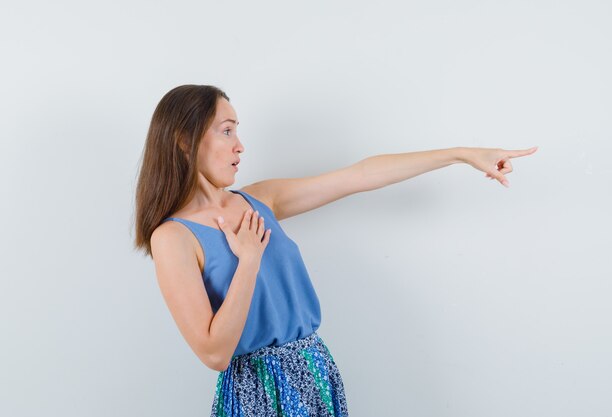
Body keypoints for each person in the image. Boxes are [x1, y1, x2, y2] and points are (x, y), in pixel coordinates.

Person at [133, 84, 538, 416]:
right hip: (256, 392)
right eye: (226, 130)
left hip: (314, 372)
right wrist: (249, 261)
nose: (240, 145)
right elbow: (215, 354)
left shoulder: (260, 201)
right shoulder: (173, 238)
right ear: (185, 141)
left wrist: (460, 154)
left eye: (237, 130)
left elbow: (358, 176)